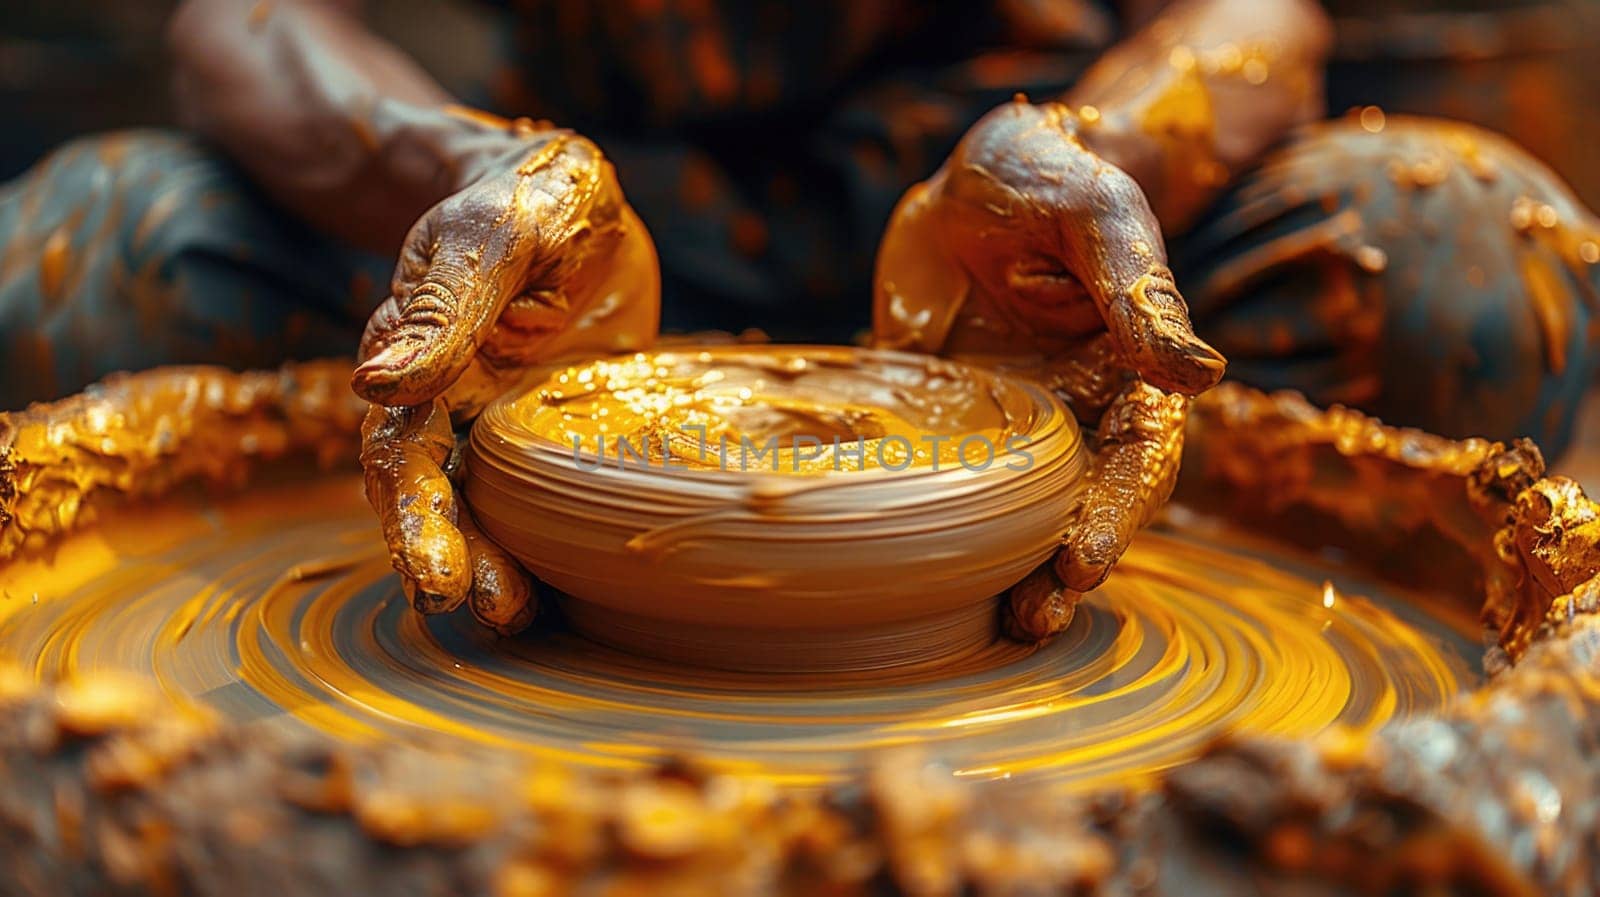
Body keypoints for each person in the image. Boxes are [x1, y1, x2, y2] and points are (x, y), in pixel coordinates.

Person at [0, 0, 1595, 636]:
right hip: (594, 280)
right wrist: (474, 178)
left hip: (992, 255)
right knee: (80, 250)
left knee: (1462, 253)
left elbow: (1262, 11)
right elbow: (244, 17)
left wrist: (1108, 163)